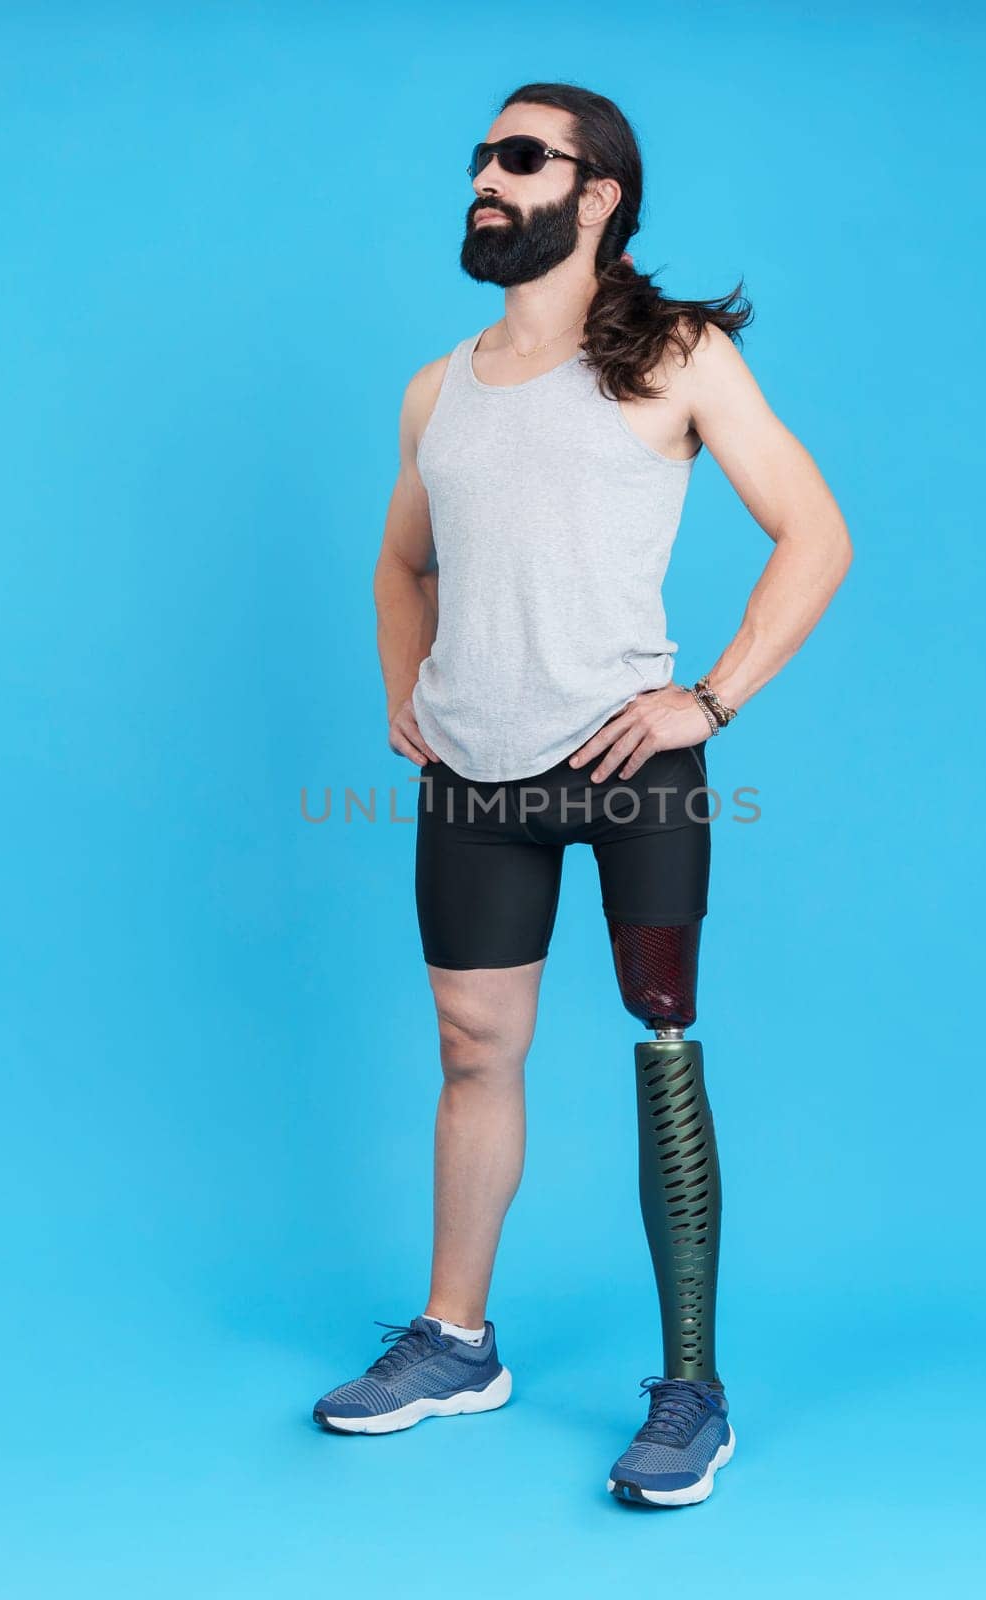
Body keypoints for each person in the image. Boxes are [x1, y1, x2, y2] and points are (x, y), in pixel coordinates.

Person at [312, 81, 853, 1509]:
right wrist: (403, 690)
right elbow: (400, 564)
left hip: (630, 770)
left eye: (520, 157)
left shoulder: (677, 355)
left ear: (596, 193)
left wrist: (712, 697)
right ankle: (456, 1341)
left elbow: (814, 533)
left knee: (661, 1043)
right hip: (475, 777)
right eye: (481, 158)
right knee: (471, 1048)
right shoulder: (439, 386)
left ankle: (693, 1393)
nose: (485, 178)